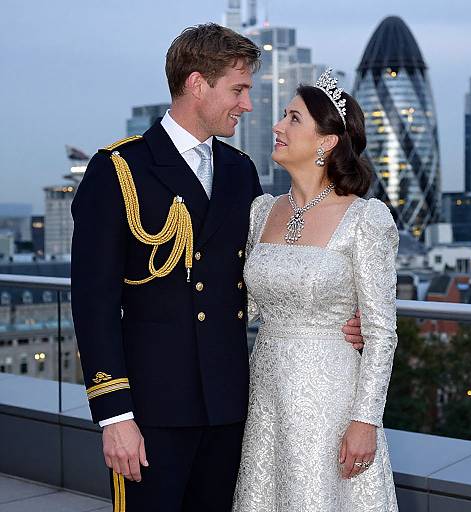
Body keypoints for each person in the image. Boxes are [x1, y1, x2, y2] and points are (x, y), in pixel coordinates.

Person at [71, 25, 364, 511]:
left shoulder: (239, 170)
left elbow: (264, 272)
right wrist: (114, 415)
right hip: (151, 411)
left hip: (231, 406)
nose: (248, 104)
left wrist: (340, 322)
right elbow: (93, 303)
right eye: (239, 89)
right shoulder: (119, 170)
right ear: (196, 85)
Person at [232, 69, 399, 511]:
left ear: (326, 141)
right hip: (265, 392)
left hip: (330, 397)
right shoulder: (261, 211)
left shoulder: (367, 219)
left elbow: (382, 332)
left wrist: (366, 421)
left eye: (293, 118)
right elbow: (242, 308)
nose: (277, 126)